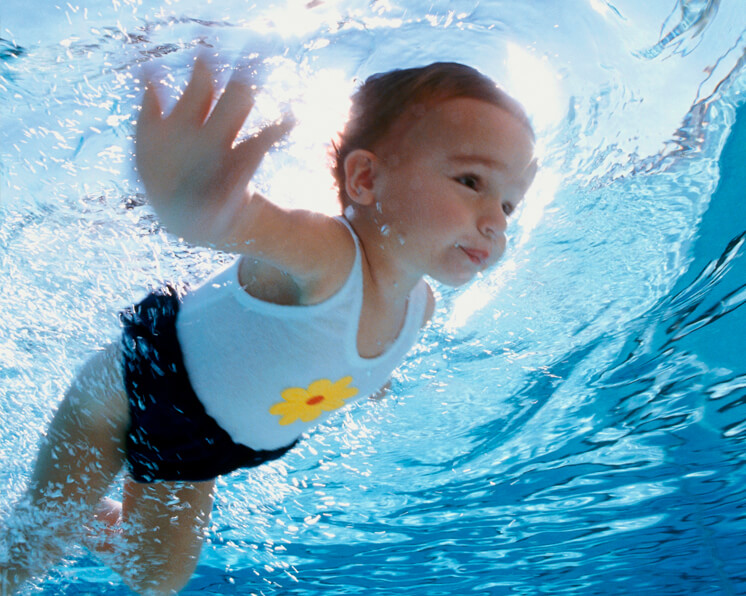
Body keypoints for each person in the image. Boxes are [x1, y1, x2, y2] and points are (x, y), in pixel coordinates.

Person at [0, 55, 537, 594]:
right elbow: (237, 221)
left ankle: (73, 512)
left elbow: (346, 357)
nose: (495, 222)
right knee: (32, 548)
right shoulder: (325, 254)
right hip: (129, 391)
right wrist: (195, 201)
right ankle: (54, 517)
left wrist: (373, 383)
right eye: (472, 181)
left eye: (510, 205)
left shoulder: (419, 308)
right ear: (366, 178)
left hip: (199, 444)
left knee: (154, 577)